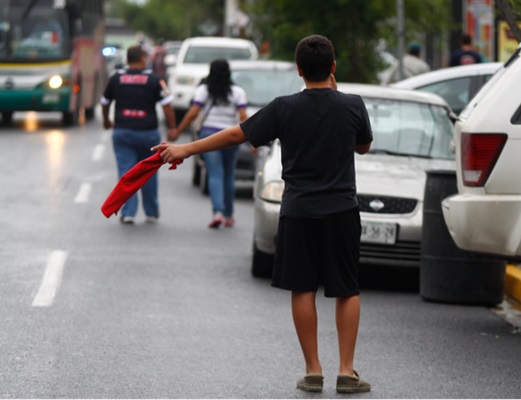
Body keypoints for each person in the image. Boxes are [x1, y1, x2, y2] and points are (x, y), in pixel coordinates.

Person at [153, 34, 373, 394]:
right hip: (341, 210)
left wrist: (185, 149)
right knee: (347, 289)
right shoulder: (352, 104)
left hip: (299, 210)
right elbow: (362, 146)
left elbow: (237, 135)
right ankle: (347, 371)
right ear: (333, 68)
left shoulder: (283, 107)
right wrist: (339, 91)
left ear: (299, 71)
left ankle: (313, 369)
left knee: (303, 288)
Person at [167, 59, 248, 229]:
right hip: (231, 136)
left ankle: (217, 212)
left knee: (215, 174)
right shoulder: (237, 92)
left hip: (210, 135)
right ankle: (229, 215)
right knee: (228, 175)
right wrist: (253, 140)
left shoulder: (204, 90)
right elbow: (243, 117)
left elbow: (193, 113)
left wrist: (178, 131)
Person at [101, 44, 176, 224]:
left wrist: (106, 120)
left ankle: (128, 213)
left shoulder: (116, 78)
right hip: (148, 134)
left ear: (127, 59)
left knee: (126, 172)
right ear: (143, 59)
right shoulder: (154, 79)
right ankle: (151, 212)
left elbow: (105, 102)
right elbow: (167, 105)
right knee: (148, 172)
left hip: (123, 132)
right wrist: (173, 128)